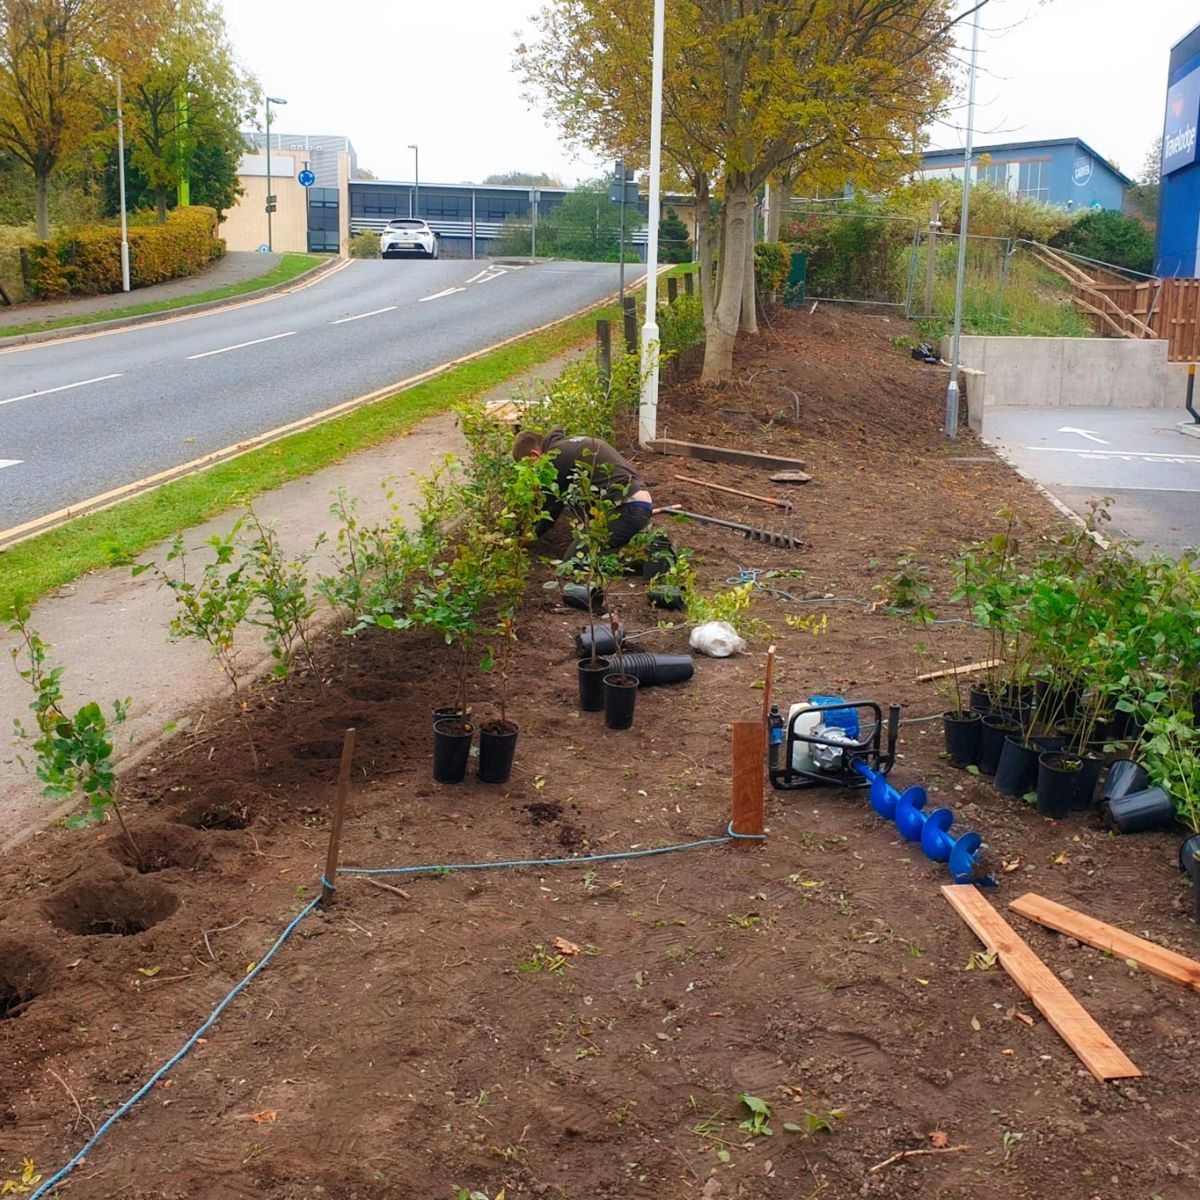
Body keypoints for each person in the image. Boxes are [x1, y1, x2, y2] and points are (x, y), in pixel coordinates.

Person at [512, 428, 653, 553]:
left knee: (575, 561)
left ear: (535, 455)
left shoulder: (553, 458)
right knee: (589, 547)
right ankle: (640, 544)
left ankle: (646, 555)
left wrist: (526, 537)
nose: (532, 473)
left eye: (529, 467)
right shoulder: (569, 445)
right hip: (636, 504)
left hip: (628, 509)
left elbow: (550, 507)